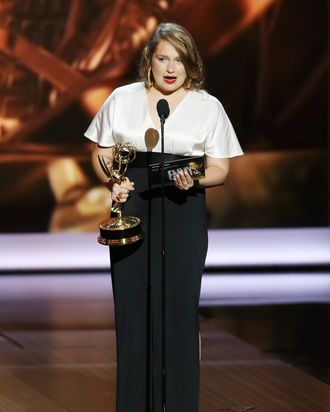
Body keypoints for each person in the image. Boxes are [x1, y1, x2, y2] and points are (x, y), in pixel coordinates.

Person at [84, 22, 243, 412]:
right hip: (134, 205)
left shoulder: (208, 107)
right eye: (163, 58)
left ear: (191, 64)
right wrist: (113, 182)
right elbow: (101, 153)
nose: (171, 68)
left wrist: (195, 180)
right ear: (149, 61)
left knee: (179, 311)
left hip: (182, 209)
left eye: (180, 59)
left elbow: (220, 169)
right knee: (133, 311)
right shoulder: (122, 99)